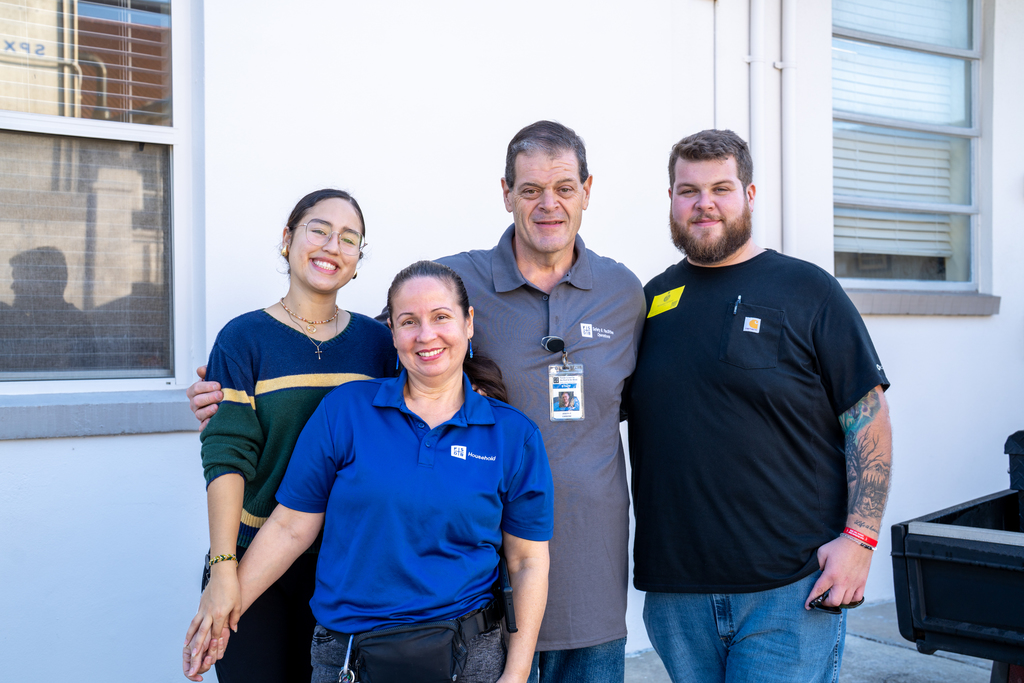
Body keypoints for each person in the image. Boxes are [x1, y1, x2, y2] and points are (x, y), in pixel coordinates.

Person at [187, 121, 647, 683]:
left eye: (564, 188)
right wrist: (231, 394)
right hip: (385, 602)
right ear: (506, 193)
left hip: (562, 591)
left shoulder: (623, 296)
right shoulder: (442, 298)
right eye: (529, 189)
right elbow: (280, 496)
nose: (548, 204)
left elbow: (646, 404)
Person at [185, 260, 554, 683]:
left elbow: (528, 561)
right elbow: (290, 527)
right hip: (348, 658)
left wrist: (518, 672)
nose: (426, 334)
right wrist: (223, 607)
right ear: (392, 334)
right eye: (408, 321)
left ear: (469, 324)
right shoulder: (346, 411)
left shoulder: (513, 435)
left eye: (441, 317)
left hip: (469, 658)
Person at [627, 129, 893, 682]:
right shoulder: (651, 301)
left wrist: (860, 540)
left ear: (749, 195)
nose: (704, 204)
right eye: (687, 190)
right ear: (671, 200)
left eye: (721, 188)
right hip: (677, 593)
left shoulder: (808, 289)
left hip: (789, 587)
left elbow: (867, 418)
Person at [186, 189, 397, 682]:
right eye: (318, 229)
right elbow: (226, 457)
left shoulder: (379, 345)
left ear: (358, 260)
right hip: (256, 563)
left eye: (349, 238)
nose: (332, 246)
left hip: (349, 569)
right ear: (287, 239)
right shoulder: (243, 339)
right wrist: (223, 570)